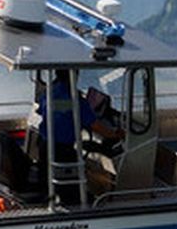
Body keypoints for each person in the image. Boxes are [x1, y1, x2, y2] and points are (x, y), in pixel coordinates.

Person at [37, 70, 122, 201]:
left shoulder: (49, 92)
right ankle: (83, 201)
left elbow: (46, 110)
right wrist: (115, 134)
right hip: (62, 151)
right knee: (76, 178)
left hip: (44, 144)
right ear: (74, 76)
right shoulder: (75, 99)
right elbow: (95, 125)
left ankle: (54, 194)